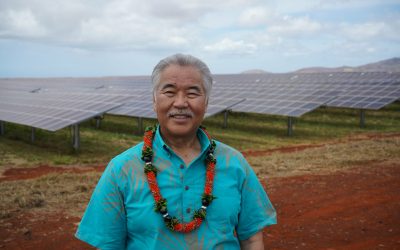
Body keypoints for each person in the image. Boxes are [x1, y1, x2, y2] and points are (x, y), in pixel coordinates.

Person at [75, 53, 276, 249]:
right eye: (169, 92)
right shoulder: (122, 169)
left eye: (192, 93)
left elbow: (251, 240)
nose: (180, 103)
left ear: (206, 102)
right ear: (154, 100)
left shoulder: (234, 163)